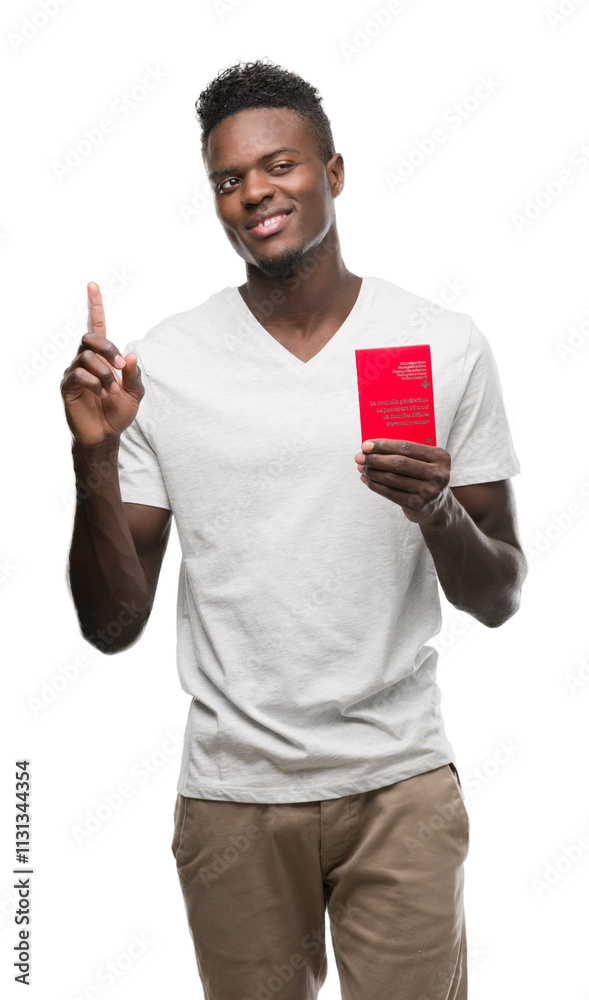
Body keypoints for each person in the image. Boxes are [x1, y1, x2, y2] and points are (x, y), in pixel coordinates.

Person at [61, 58, 527, 1000]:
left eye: (279, 165)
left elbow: (500, 596)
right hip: (232, 796)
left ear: (334, 171)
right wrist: (94, 458)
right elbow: (111, 626)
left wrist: (433, 508)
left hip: (399, 784)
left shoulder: (442, 343)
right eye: (229, 181)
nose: (255, 194)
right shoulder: (168, 365)